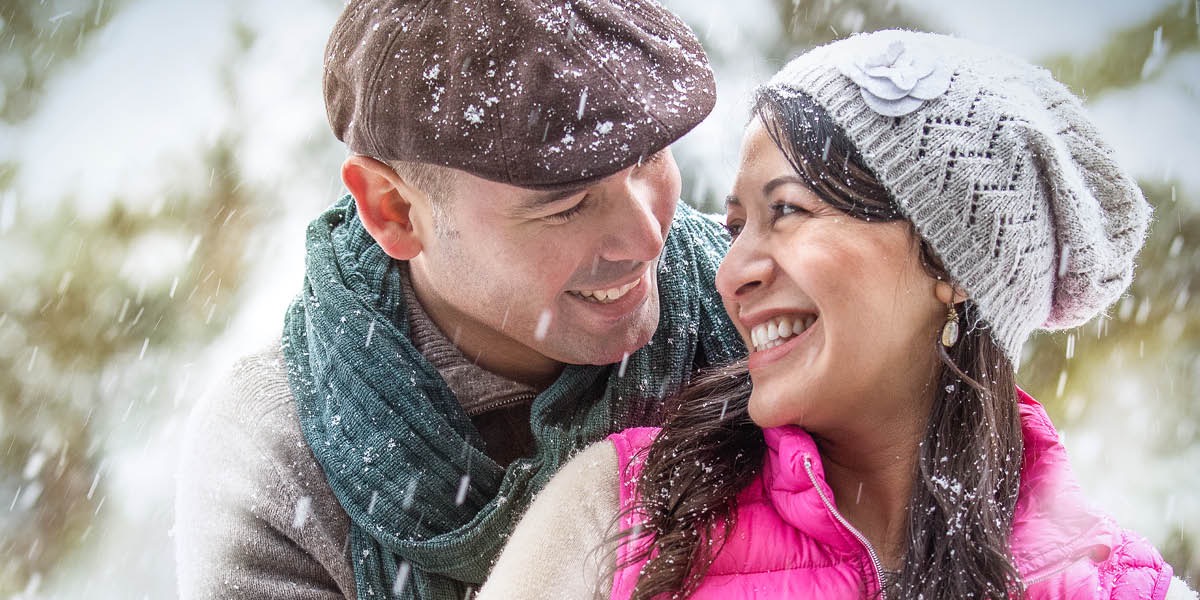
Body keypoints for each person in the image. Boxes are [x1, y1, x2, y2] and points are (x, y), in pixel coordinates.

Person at [477, 30, 1198, 600]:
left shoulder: (1116, 584)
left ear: (950, 266)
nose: (734, 273)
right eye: (737, 229)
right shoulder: (623, 510)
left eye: (786, 211)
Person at [174, 1, 743, 598]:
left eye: (648, 157)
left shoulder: (758, 305)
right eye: (566, 204)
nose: (648, 237)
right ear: (393, 211)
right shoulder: (278, 457)